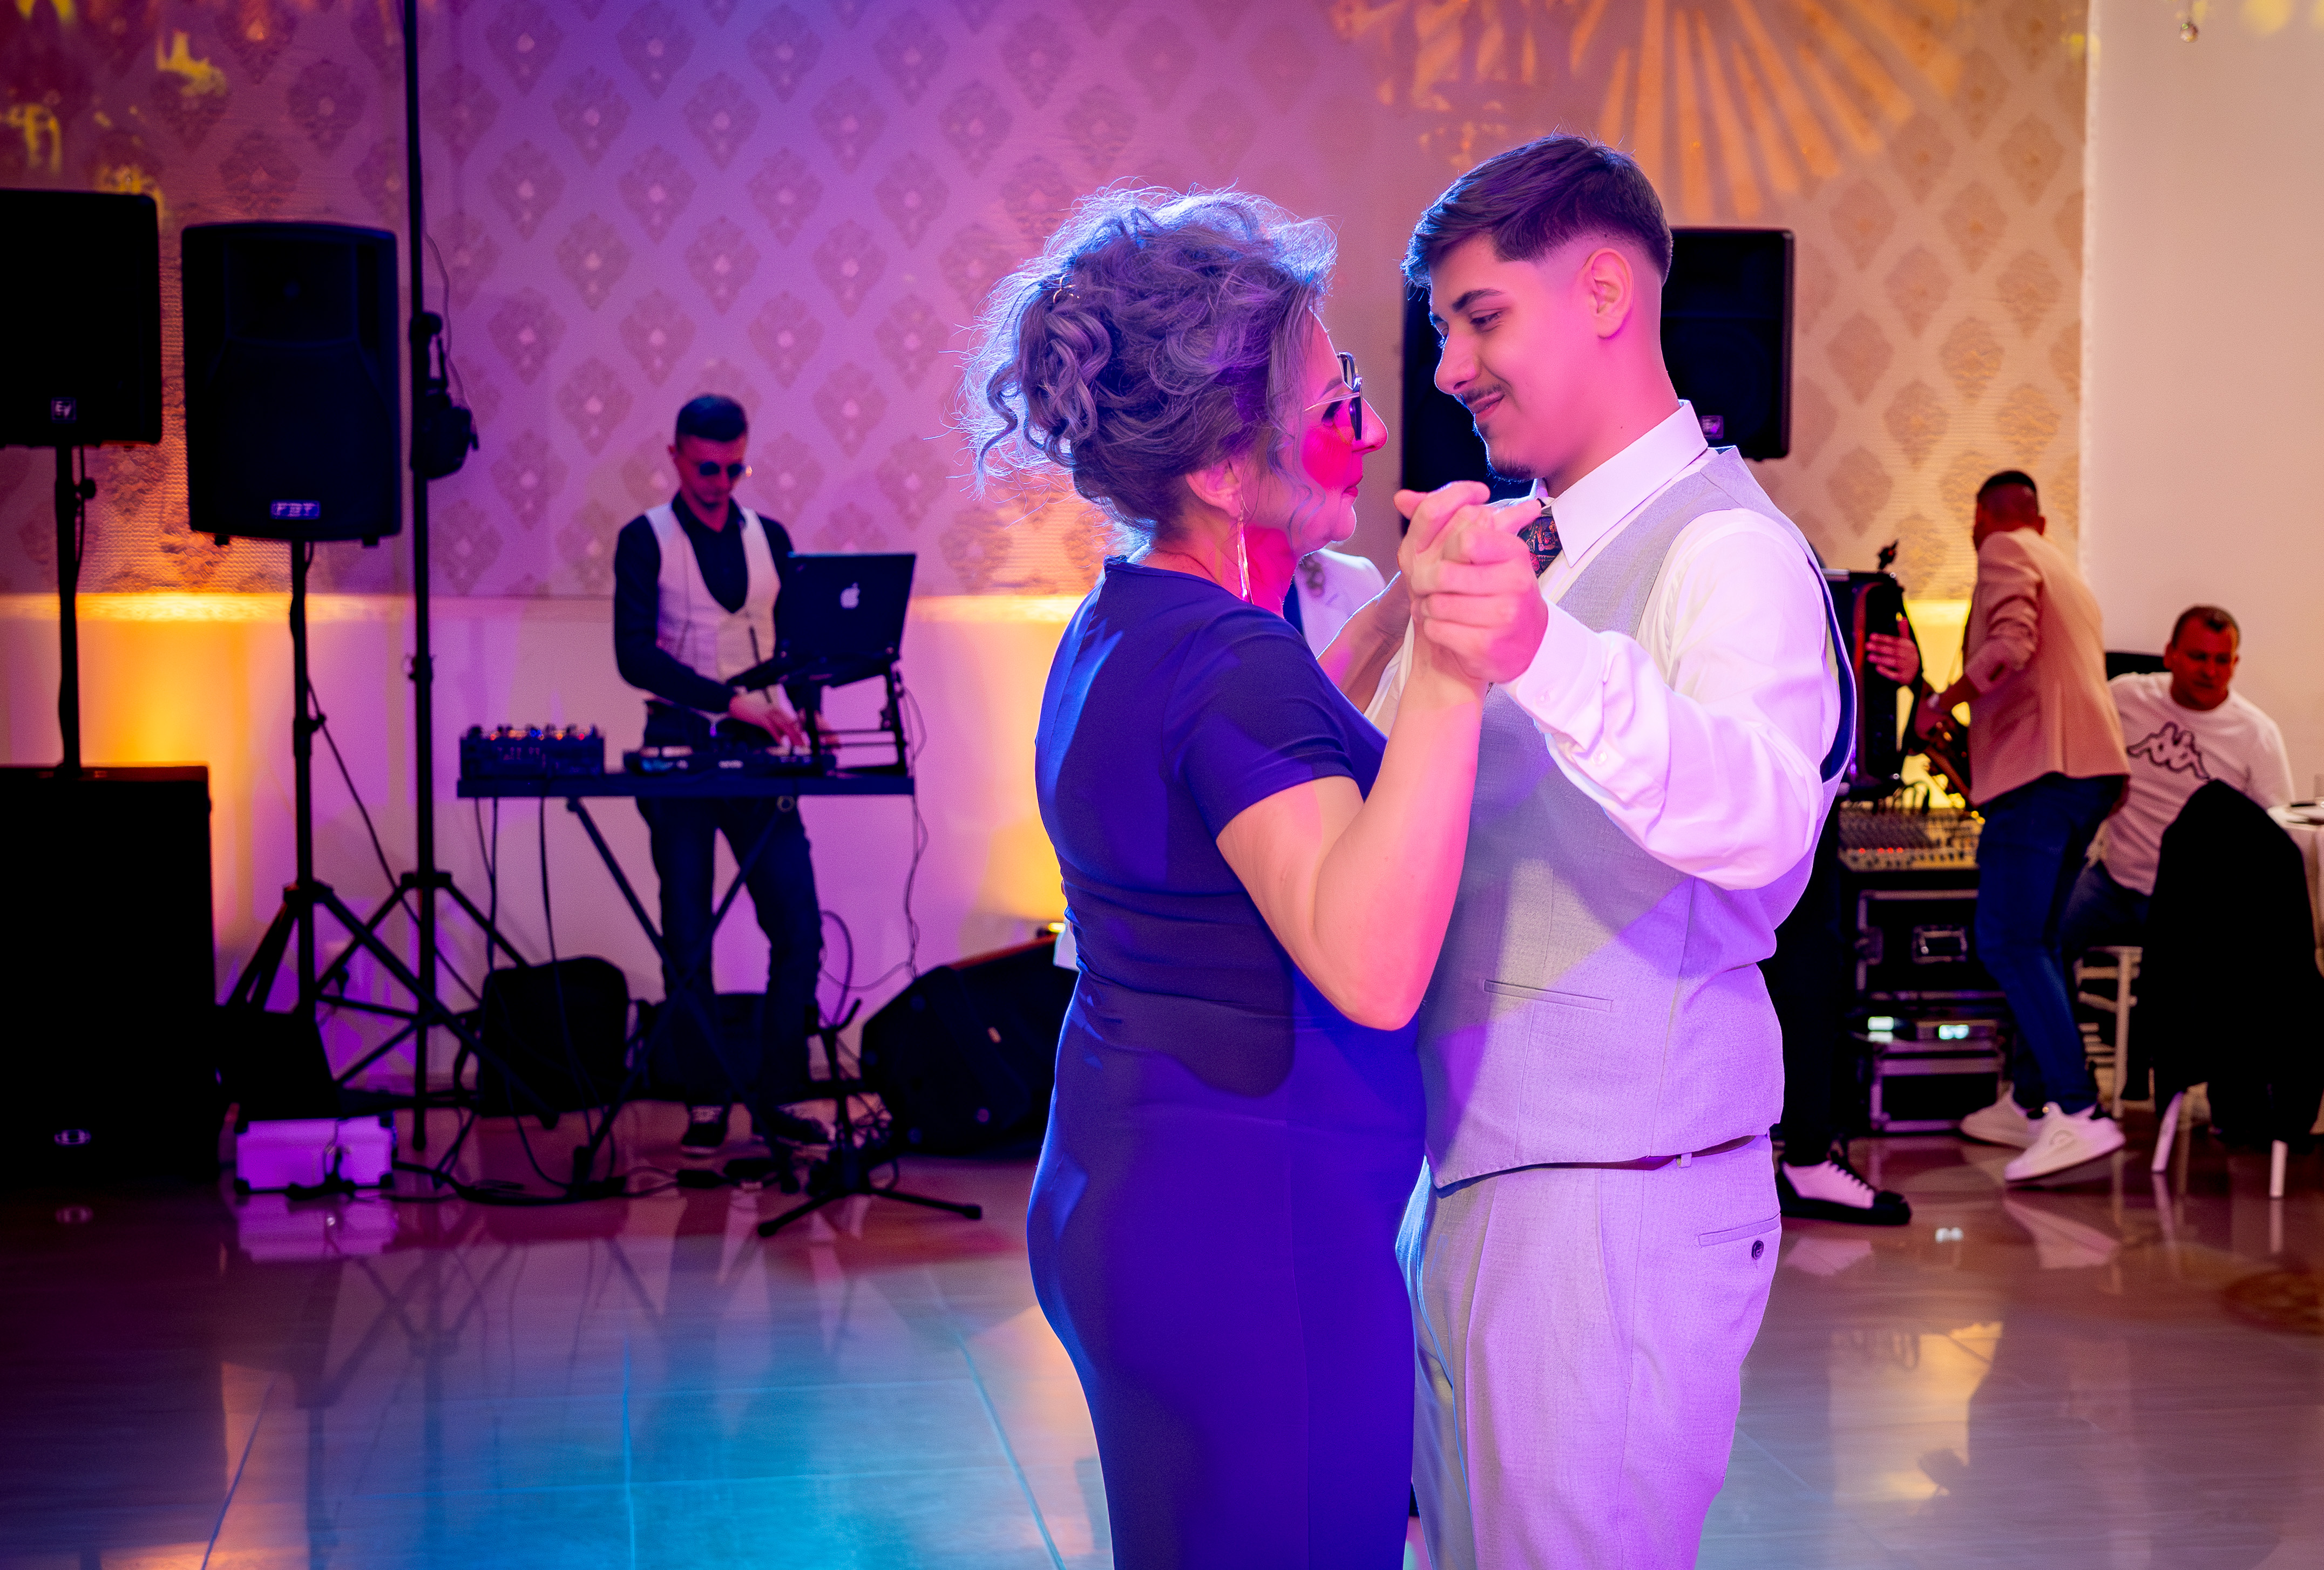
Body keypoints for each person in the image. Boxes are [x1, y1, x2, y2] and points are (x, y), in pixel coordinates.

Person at [970, 187, 1543, 1566]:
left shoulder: (1133, 618)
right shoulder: (1230, 663)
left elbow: (1266, 759)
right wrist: (1457, 659)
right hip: (1252, 1241)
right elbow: (1373, 962)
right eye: (1334, 399)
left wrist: (1396, 611)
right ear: (1230, 465)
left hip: (1129, 1189)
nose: (1371, 426)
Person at [1326, 134, 1862, 1568]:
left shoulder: (1727, 551)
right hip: (1480, 1175)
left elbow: (1762, 815)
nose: (1449, 368)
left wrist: (1539, 652)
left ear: (1606, 291)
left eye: (1480, 317)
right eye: (1445, 329)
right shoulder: (1530, 546)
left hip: (1617, 1192)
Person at [1871, 471, 2127, 1184]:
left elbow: (2010, 644)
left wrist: (1940, 701)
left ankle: (2076, 1111)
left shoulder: (2003, 549)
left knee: (2008, 940)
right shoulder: (2063, 568)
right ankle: (2032, 1102)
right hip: (2089, 774)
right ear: (2040, 520)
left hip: (2041, 773)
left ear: (1982, 518)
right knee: (2040, 940)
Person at [1956, 604, 2293, 1148]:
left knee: (2231, 958)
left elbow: (2275, 833)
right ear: (2170, 655)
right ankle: (2032, 1097)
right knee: (2034, 938)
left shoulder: (2256, 734)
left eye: (2222, 660)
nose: (2209, 670)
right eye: (2198, 657)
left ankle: (2221, 1097)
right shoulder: (2124, 697)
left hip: (2193, 904)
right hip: (2114, 882)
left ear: (2235, 664)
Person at [612, 394, 829, 1152]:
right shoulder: (645, 538)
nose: (721, 483)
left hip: (760, 751)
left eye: (735, 468)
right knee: (687, 932)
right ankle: (705, 1099)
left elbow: (795, 643)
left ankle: (778, 1094)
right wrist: (729, 701)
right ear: (676, 457)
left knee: (798, 926)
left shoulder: (771, 537)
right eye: (708, 468)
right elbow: (633, 655)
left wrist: (811, 710)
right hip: (679, 745)